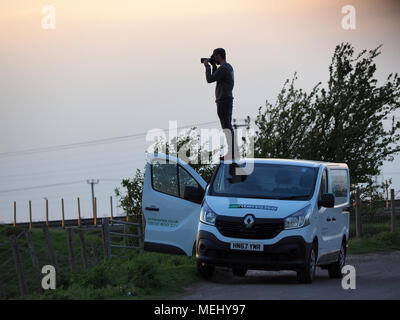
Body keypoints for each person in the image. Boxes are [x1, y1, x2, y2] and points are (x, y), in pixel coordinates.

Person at [203, 48, 239, 161]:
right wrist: (213, 66)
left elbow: (210, 79)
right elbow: (216, 77)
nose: (214, 59)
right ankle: (232, 152)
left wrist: (207, 67)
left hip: (224, 100)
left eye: (214, 57)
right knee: (226, 126)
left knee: (227, 126)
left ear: (218, 56)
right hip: (225, 99)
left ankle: (233, 153)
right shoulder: (227, 67)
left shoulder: (224, 68)